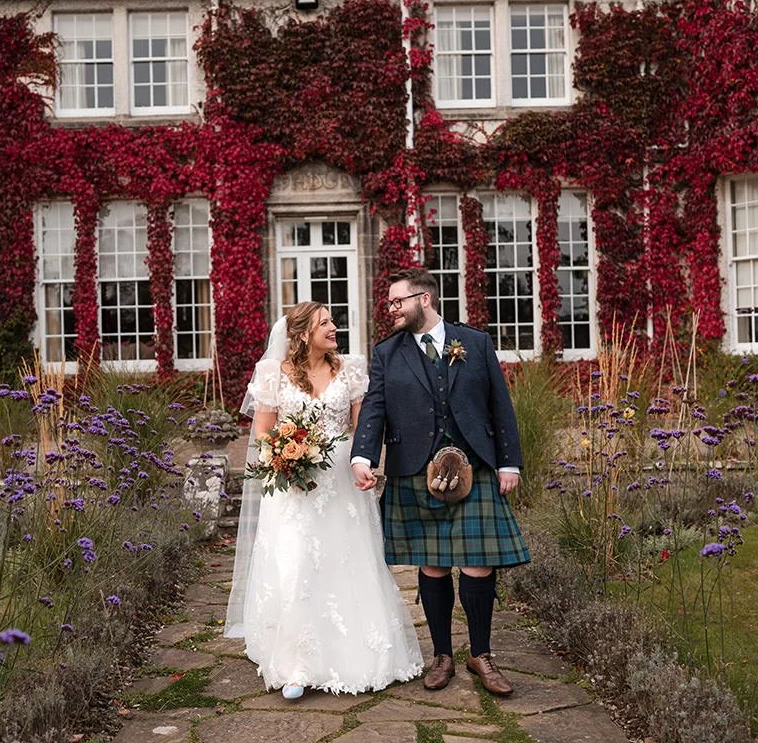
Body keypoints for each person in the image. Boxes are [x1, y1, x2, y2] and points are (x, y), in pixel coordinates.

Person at [224, 301, 423, 700]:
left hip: (340, 484)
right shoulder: (273, 374)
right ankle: (297, 663)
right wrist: (283, 456)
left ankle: (360, 654)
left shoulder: (349, 369)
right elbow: (262, 432)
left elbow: (363, 426)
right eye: (325, 323)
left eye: (333, 321)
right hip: (293, 489)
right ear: (301, 334)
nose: (334, 327)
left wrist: (366, 461)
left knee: (346, 561)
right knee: (296, 566)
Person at [350, 268, 530, 697]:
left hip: (477, 467)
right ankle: (442, 655)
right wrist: (363, 455)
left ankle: (481, 654)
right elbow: (374, 408)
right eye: (390, 302)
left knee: (477, 563)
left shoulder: (476, 343)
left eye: (398, 301)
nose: (391, 309)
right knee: (431, 565)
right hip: (415, 468)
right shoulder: (388, 353)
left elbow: (499, 406)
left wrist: (510, 464)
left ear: (424, 300)